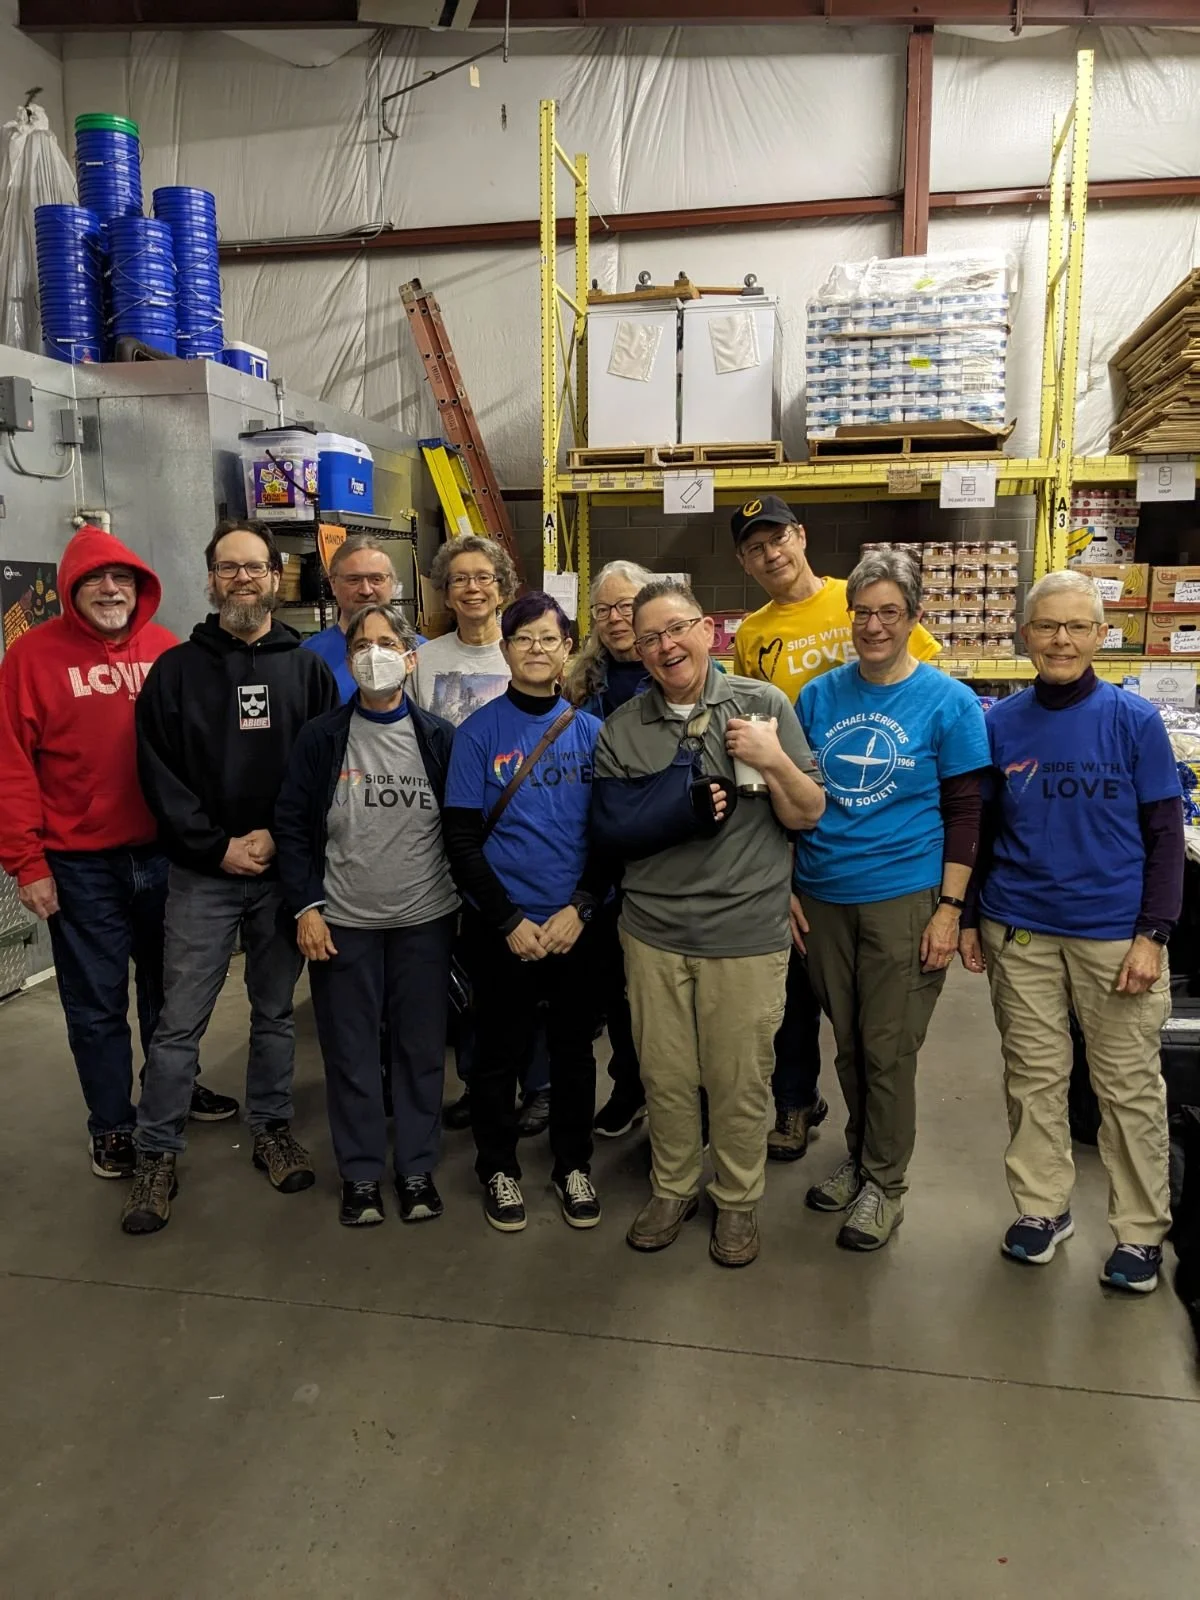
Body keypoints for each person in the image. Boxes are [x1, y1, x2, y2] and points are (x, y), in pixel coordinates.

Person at [959, 569, 1182, 1295]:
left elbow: (1164, 833)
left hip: (1114, 935)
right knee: (1034, 1079)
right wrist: (966, 915)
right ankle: (1042, 1208)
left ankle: (1142, 1233)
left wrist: (1154, 932)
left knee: (1127, 1090)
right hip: (1018, 928)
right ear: (1024, 636)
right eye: (1047, 627)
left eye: (1076, 627)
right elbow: (982, 827)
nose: (1060, 640)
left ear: (1097, 635)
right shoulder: (999, 723)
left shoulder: (1133, 720)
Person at [593, 580, 825, 1268]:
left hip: (744, 935)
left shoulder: (763, 705)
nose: (666, 647)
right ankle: (671, 1189)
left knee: (739, 1079)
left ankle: (737, 1201)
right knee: (665, 1076)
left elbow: (808, 813)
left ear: (708, 631)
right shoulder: (623, 726)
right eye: (649, 639)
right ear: (637, 652)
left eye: (677, 629)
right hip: (653, 934)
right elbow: (610, 834)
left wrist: (772, 757)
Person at [120, 519, 339, 1235]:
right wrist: (217, 848)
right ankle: (156, 1152)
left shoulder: (306, 669)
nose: (242, 579)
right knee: (181, 1020)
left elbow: (321, 768)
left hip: (282, 873)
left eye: (255, 567)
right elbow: (160, 776)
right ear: (210, 579)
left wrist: (279, 838)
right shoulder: (175, 672)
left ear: (277, 578)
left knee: (275, 1013)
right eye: (228, 568)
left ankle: (271, 1128)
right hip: (202, 876)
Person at [0, 525, 237, 1180]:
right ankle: (111, 1125)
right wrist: (28, 863)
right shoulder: (30, 659)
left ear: (140, 588)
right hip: (80, 866)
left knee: (175, 995)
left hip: (167, 858)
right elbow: (11, 767)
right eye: (96, 580)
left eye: (122, 578)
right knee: (97, 1004)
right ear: (72, 590)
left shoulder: (167, 652)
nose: (110, 589)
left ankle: (171, 1092)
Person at [732, 496, 942, 1165]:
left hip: (888, 836)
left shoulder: (860, 600)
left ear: (801, 536)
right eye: (754, 548)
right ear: (744, 560)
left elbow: (928, 692)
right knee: (798, 999)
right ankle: (797, 1107)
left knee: (877, 1032)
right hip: (806, 830)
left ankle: (878, 1164)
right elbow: (761, 748)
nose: (771, 556)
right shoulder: (752, 634)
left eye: (778, 540)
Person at [794, 550, 988, 1252]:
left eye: (889, 613)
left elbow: (967, 811)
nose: (873, 626)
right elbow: (798, 798)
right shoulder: (818, 697)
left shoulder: (948, 702)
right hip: (822, 895)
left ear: (913, 619)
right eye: (863, 613)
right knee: (846, 1046)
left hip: (905, 895)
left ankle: (886, 1185)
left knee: (889, 1048)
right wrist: (790, 885)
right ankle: (861, 1155)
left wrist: (950, 908)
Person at [276, 602, 458, 1228]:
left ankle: (415, 1168)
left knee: (420, 1050)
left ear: (410, 658)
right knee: (349, 1051)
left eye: (388, 642)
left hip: (425, 920)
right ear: (349, 659)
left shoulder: (438, 738)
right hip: (343, 923)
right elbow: (294, 829)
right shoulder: (321, 737)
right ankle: (359, 1175)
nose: (375, 653)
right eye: (362, 644)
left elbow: (461, 831)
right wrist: (306, 906)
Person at [443, 591, 608, 1234]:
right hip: (502, 927)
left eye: (549, 638)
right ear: (505, 650)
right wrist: (508, 920)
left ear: (568, 647)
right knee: (499, 1052)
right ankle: (498, 1166)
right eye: (523, 639)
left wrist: (581, 909)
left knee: (572, 1052)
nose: (536, 650)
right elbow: (459, 838)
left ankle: (572, 1164)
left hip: (575, 928)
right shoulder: (478, 734)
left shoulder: (592, 734)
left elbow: (609, 835)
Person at [411, 532, 550, 1136]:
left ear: (502, 586)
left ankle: (539, 1084)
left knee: (534, 970)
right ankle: (477, 1080)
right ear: (446, 590)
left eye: (483, 576)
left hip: (521, 832)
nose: (472, 588)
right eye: (460, 578)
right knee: (470, 972)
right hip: (455, 832)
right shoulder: (426, 661)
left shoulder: (523, 650)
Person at [564, 559, 655, 1138]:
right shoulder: (581, 680)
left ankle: (679, 1099)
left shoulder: (671, 670)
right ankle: (629, 1088)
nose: (616, 618)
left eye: (627, 606)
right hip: (598, 857)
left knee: (663, 995)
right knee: (613, 990)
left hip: (660, 858)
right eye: (604, 609)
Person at [302, 535, 422, 704]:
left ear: (393, 583)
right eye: (354, 579)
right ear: (333, 584)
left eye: (376, 579)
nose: (366, 590)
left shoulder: (423, 651)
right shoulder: (309, 656)